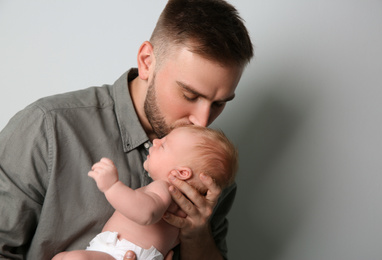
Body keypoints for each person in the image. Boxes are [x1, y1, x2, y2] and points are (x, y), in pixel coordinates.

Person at [0, 0, 253, 259]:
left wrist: (196, 234)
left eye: (219, 103)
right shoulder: (47, 127)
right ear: (146, 62)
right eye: (189, 95)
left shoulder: (208, 169)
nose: (202, 121)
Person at [52, 125, 238, 260]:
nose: (155, 142)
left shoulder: (165, 187)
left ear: (181, 173)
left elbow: (145, 213)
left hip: (121, 252)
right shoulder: (187, 212)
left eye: (164, 144)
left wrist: (112, 186)